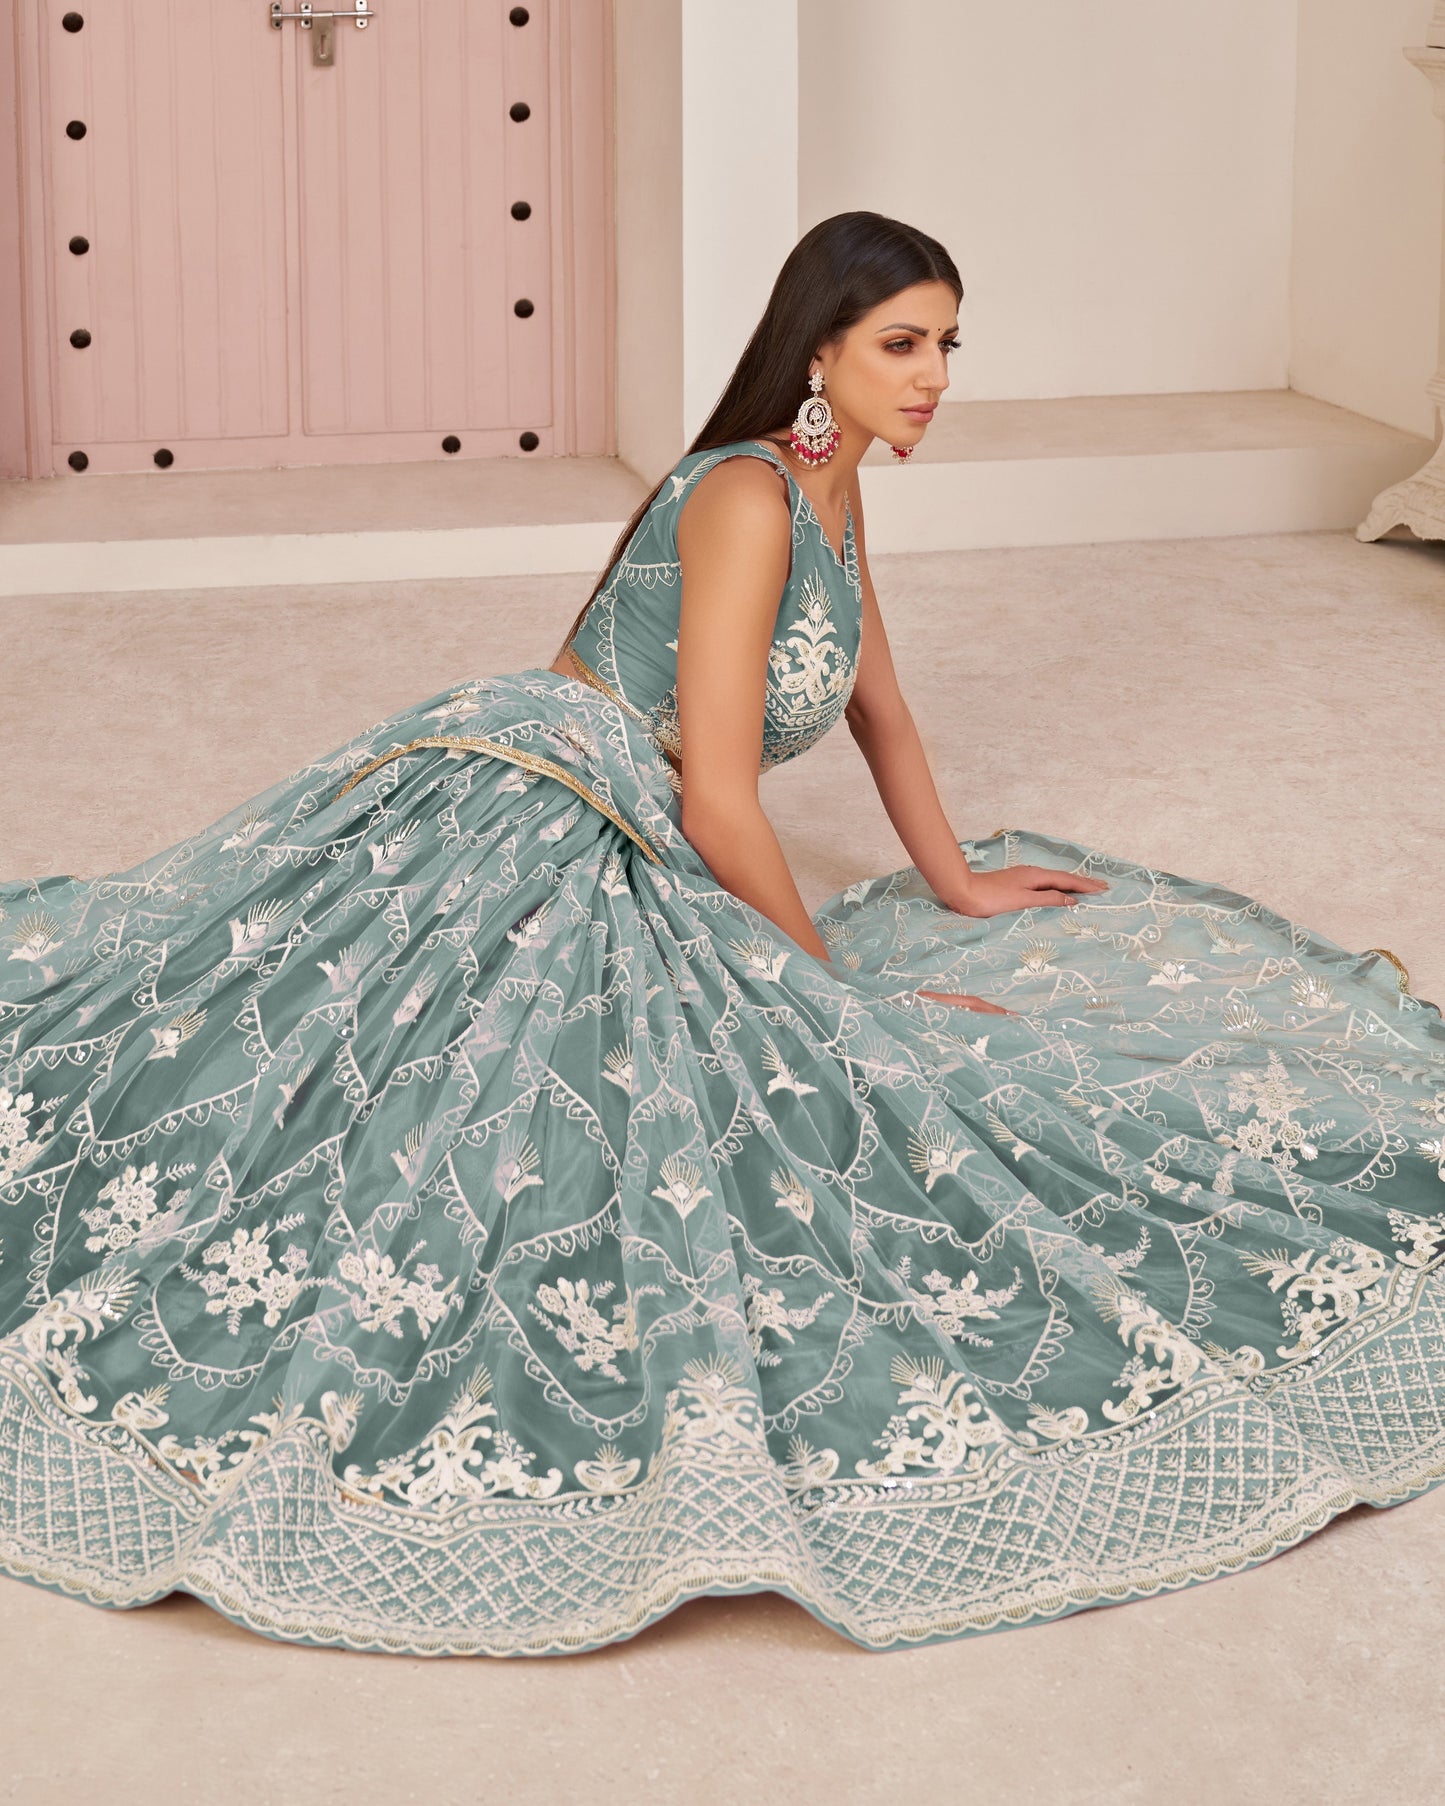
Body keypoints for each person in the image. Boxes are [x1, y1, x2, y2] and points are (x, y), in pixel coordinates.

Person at [3, 211, 1443, 1661]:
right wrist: (828, 996)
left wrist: (952, 879)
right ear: (816, 351)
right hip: (546, 802)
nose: (934, 374)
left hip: (634, 802)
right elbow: (718, 798)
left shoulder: (834, 486)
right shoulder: (748, 498)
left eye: (947, 344)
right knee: (454, 1097)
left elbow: (880, 703)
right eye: (901, 344)